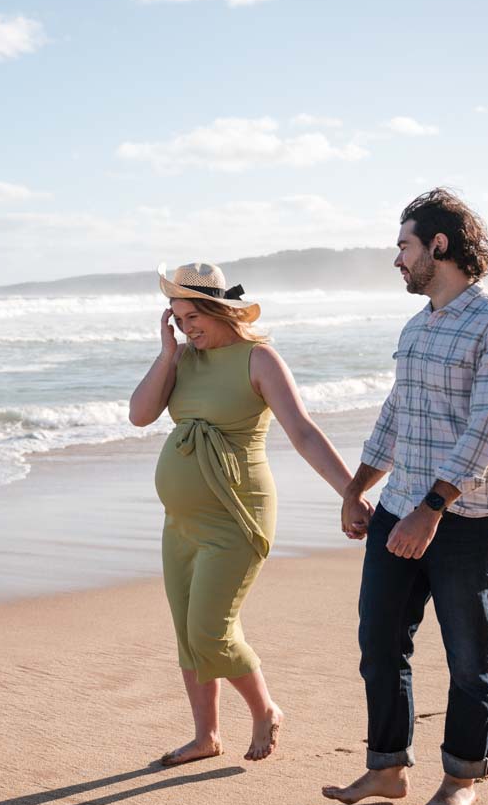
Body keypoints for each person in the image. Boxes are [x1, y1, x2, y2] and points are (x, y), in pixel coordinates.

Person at [323, 189, 488, 805]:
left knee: (468, 654)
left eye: (404, 246)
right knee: (379, 640)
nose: (398, 260)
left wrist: (432, 508)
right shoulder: (416, 328)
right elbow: (396, 417)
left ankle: (462, 777)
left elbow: (486, 429)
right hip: (400, 505)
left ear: (438, 246)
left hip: (465, 517)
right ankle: (387, 767)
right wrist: (358, 488)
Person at [130, 261, 357, 766]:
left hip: (236, 516)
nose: (187, 328)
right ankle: (205, 736)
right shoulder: (181, 359)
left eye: (193, 317)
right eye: (177, 318)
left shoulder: (259, 359)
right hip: (181, 523)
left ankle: (265, 709)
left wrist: (350, 492)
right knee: (187, 632)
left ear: (219, 310)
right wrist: (167, 354)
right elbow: (140, 414)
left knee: (211, 630)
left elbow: (302, 431)